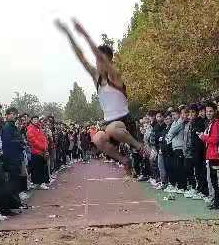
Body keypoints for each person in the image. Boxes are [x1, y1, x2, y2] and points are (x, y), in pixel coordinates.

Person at [55, 18, 150, 173]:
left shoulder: (115, 77)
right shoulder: (97, 79)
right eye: (96, 61)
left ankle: (139, 146)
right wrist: (68, 34)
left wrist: (85, 34)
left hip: (125, 121)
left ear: (107, 61)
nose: (96, 64)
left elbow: (98, 55)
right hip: (109, 123)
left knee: (113, 129)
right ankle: (124, 160)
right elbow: (81, 57)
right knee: (98, 138)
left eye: (99, 60)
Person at [199, 101, 219, 208]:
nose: (208, 113)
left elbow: (215, 139)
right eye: (207, 111)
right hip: (210, 155)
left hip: (215, 156)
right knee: (213, 180)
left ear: (215, 111)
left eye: (210, 111)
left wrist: (203, 137)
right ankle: (216, 201)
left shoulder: (216, 123)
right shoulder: (210, 123)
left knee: (217, 181)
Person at [26, 115, 49, 189]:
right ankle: (39, 183)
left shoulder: (39, 128)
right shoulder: (30, 129)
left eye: (37, 119)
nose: (36, 121)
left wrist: (45, 146)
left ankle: (39, 182)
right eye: (34, 119)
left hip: (42, 151)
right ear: (31, 120)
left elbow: (44, 138)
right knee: (37, 168)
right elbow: (33, 141)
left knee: (41, 167)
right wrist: (42, 147)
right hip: (36, 151)